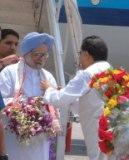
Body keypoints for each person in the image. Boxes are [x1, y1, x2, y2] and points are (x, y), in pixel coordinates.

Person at [41, 35, 111, 160]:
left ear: (87, 54)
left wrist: (49, 89)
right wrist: (64, 92)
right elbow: (89, 99)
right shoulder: (109, 70)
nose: (79, 58)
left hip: (97, 130)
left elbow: (59, 100)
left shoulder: (86, 74)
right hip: (111, 127)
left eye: (80, 53)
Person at [0, 32, 57, 160]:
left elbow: (54, 103)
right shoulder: (9, 72)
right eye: (38, 54)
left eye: (45, 55)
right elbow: (1, 100)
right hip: (14, 136)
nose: (42, 58)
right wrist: (25, 107)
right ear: (26, 54)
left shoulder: (48, 76)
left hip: (40, 139)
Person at [0, 28, 20, 160]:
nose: (13, 47)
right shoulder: (5, 64)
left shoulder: (17, 67)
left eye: (16, 44)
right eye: (8, 43)